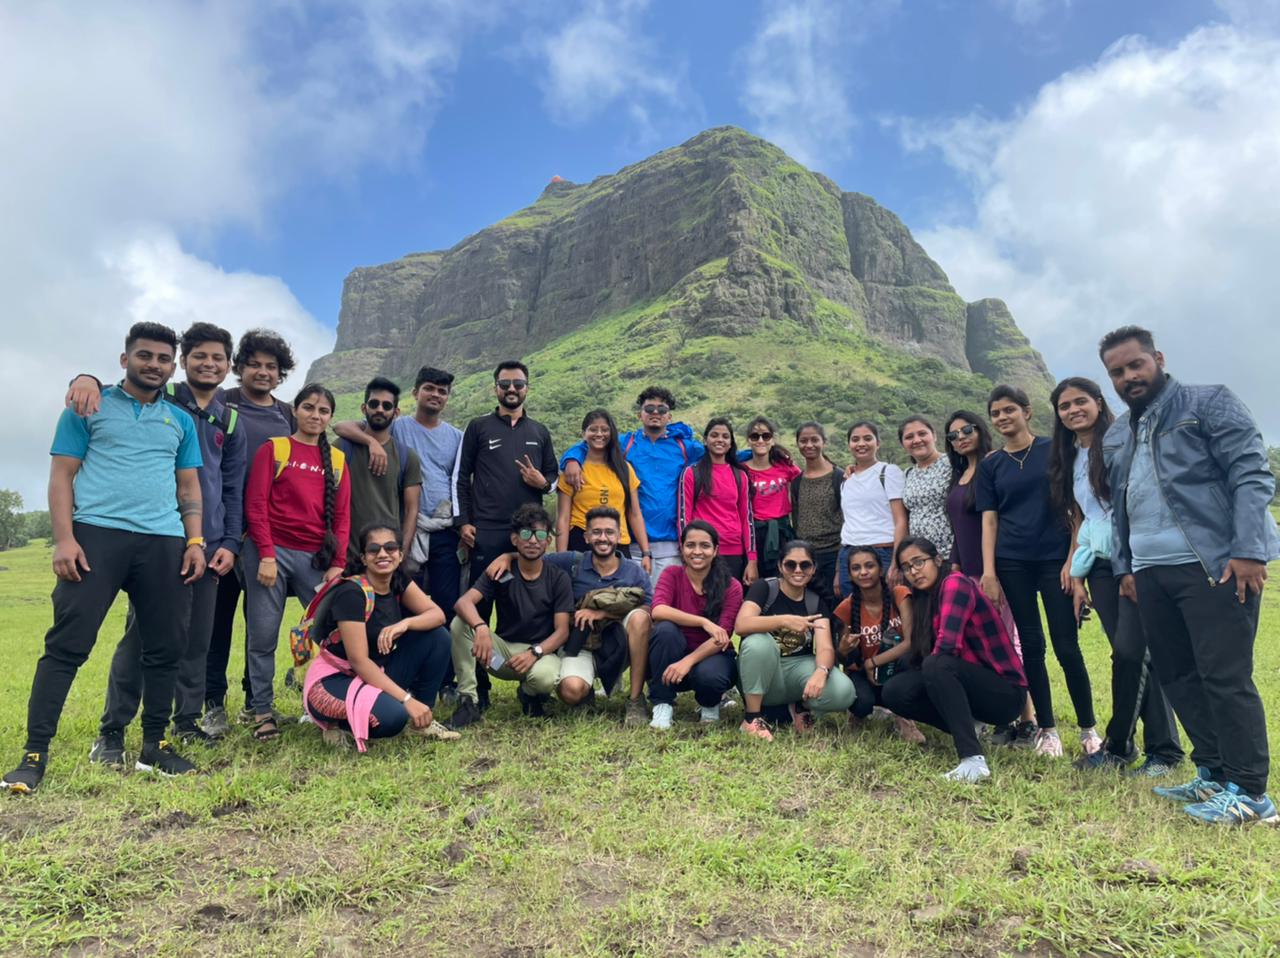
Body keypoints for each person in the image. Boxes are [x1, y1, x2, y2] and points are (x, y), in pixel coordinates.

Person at [4, 323, 206, 794]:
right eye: (144, 355)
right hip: (96, 536)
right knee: (67, 645)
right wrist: (64, 540)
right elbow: (61, 476)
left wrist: (194, 541)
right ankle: (34, 755)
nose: (153, 364)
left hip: (163, 540)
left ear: (172, 367)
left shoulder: (180, 421)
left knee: (165, 648)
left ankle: (154, 747)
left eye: (163, 358)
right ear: (124, 359)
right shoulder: (88, 406)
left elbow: (188, 487)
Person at [1100, 325, 1278, 825]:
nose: (1128, 377)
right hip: (1150, 571)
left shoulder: (1208, 402)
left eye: (1136, 364)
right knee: (1177, 675)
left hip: (1213, 563)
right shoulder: (1118, 433)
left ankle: (1251, 793)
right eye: (1117, 371)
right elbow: (1120, 507)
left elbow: (1250, 473)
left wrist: (1248, 549)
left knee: (1224, 675)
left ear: (1157, 358)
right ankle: (1214, 772)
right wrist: (1125, 567)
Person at [80, 323, 246, 764]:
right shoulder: (161, 397)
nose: (208, 364)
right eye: (199, 356)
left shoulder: (231, 420)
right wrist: (86, 378)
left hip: (209, 545)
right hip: (158, 538)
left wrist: (230, 542)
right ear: (182, 362)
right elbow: (112, 392)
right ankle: (112, 730)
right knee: (141, 639)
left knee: (196, 638)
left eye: (217, 358)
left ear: (228, 365)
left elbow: (233, 489)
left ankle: (185, 722)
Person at [1048, 376, 1183, 777]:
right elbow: (1081, 517)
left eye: (1080, 401)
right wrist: (1075, 571)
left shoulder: (1123, 441)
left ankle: (1136, 747)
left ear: (1098, 401)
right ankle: (1154, 749)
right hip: (1100, 563)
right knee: (1129, 653)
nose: (1073, 410)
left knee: (1132, 652)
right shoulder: (1069, 456)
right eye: (1064, 406)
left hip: (1135, 557)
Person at [977, 385, 1098, 759]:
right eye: (996, 413)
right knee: (1031, 646)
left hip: (1054, 560)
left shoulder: (1054, 450)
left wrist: (1072, 560)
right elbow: (990, 521)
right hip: (1012, 561)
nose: (1002, 417)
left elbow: (1076, 509)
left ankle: (1088, 729)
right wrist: (989, 572)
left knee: (1067, 646)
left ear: (1026, 412)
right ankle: (1048, 730)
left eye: (1009, 410)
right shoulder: (991, 465)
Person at [241, 383, 351, 742]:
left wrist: (337, 563)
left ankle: (326, 704)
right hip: (269, 552)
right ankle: (262, 711)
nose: (315, 416)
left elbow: (342, 517)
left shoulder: (337, 460)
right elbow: (256, 504)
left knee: (332, 632)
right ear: (295, 410)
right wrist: (266, 554)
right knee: (263, 635)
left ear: (330, 417)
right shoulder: (275, 449)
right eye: (308, 408)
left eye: (323, 411)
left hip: (315, 558)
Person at [480, 506, 653, 725]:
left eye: (609, 532)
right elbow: (535, 552)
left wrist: (602, 613)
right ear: (586, 536)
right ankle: (584, 691)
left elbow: (649, 610)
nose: (603, 538)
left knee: (639, 618)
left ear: (619, 536)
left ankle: (636, 700)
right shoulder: (571, 562)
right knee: (570, 691)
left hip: (619, 644)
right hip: (581, 644)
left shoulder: (634, 571)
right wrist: (508, 556)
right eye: (596, 532)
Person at [204, 329, 297, 733]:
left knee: (261, 626)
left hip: (267, 539)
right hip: (223, 533)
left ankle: (253, 701)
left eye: (271, 366)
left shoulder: (288, 415)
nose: (263, 372)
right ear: (239, 367)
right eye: (254, 364)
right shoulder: (222, 401)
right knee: (216, 622)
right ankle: (212, 703)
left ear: (280, 373)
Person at [882, 538, 1028, 783]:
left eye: (919, 562)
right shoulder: (924, 598)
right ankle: (970, 726)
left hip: (1005, 694)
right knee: (895, 691)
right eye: (906, 567)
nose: (914, 571)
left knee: (937, 664)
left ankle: (972, 760)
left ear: (938, 560)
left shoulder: (955, 584)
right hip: (972, 685)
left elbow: (947, 647)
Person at [302, 522, 458, 750]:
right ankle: (335, 724)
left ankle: (421, 721)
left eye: (390, 548)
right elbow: (359, 661)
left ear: (400, 555)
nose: (383, 554)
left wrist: (405, 624)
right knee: (393, 718)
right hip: (336, 680)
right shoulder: (352, 593)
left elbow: (437, 615)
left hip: (374, 673)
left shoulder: (397, 580)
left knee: (438, 637)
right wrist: (406, 700)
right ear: (364, 558)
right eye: (374, 550)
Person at [942, 410, 1033, 744]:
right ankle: (1002, 717)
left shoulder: (994, 465)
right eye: (953, 435)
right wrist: (955, 565)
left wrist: (990, 573)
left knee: (1008, 642)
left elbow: (996, 522)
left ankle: (1028, 719)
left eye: (967, 430)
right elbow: (959, 527)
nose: (961, 438)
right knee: (981, 646)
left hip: (994, 572)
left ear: (980, 429)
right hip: (966, 573)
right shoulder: (960, 474)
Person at [348, 366, 464, 618]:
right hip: (406, 527)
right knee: (405, 599)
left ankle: (442, 644)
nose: (435, 395)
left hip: (444, 528)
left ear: (447, 397)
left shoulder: (457, 437)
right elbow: (342, 427)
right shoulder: (396, 426)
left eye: (442, 391)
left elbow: (463, 482)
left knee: (447, 601)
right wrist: (371, 441)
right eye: (429, 388)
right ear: (415, 393)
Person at [560, 386, 705, 583]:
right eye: (649, 408)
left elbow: (720, 453)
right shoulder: (626, 443)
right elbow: (593, 442)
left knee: (665, 599)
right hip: (630, 543)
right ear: (640, 414)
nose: (655, 413)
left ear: (669, 416)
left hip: (671, 544)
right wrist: (571, 459)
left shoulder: (685, 447)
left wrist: (749, 456)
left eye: (661, 409)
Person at [447, 505, 574, 728]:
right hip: (500, 658)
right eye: (526, 534)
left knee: (544, 679)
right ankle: (468, 702)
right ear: (514, 539)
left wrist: (535, 652)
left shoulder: (558, 578)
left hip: (540, 655)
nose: (533, 540)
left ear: (548, 541)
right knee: (460, 623)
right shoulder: (500, 570)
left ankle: (529, 695)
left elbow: (562, 630)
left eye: (540, 535)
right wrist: (481, 627)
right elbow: (463, 603)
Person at [734, 540, 856, 741]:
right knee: (758, 643)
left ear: (813, 568)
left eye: (805, 565)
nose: (798, 570)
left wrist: (822, 671)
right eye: (791, 564)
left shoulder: (815, 600)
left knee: (844, 692)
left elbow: (825, 647)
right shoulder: (765, 588)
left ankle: (799, 707)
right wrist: (784, 620)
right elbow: (741, 625)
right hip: (762, 670)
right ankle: (752, 718)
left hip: (798, 669)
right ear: (780, 566)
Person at [647, 521, 743, 729]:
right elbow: (658, 610)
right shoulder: (672, 574)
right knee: (665, 630)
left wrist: (688, 661)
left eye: (705, 546)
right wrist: (703, 622)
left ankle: (709, 704)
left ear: (715, 550)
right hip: (672, 654)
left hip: (712, 655)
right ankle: (663, 704)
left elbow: (722, 637)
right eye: (690, 545)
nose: (697, 551)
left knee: (710, 676)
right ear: (682, 548)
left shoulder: (731, 586)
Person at [832, 545, 922, 743]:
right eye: (856, 568)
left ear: (881, 570)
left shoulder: (899, 594)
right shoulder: (846, 607)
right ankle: (857, 715)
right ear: (850, 574)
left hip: (896, 670)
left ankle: (904, 717)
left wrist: (872, 662)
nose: (863, 572)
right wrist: (843, 650)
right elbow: (845, 659)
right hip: (866, 676)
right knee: (863, 704)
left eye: (869, 566)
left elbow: (910, 642)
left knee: (910, 661)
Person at [331, 377, 423, 564]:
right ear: (364, 408)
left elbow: (411, 510)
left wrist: (400, 554)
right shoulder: (341, 448)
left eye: (387, 406)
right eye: (374, 404)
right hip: (345, 556)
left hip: (385, 558)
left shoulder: (407, 457)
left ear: (396, 412)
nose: (380, 409)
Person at [554, 409, 651, 569]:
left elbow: (634, 513)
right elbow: (563, 518)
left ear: (612, 433)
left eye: (605, 430)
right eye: (593, 429)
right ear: (583, 434)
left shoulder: (624, 468)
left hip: (618, 542)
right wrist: (561, 558)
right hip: (581, 542)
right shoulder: (573, 470)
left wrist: (646, 553)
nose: (599, 434)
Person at [678, 418, 756, 583]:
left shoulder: (740, 475)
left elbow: (747, 518)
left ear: (731, 443)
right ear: (705, 440)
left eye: (725, 436)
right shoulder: (692, 473)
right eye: (714, 435)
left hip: (734, 552)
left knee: (732, 597)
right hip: (701, 551)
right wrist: (685, 552)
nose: (720, 440)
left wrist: (752, 559)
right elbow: (684, 516)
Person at [838, 421, 906, 598]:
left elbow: (901, 520)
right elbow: (849, 521)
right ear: (849, 445)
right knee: (852, 608)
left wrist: (896, 563)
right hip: (848, 554)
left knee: (887, 607)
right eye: (855, 439)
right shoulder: (846, 480)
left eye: (867, 438)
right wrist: (839, 569)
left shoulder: (888, 472)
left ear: (878, 443)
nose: (861, 444)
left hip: (882, 552)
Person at [790, 422, 843, 607]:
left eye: (814, 440)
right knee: (809, 606)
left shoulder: (838, 477)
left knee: (835, 606)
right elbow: (796, 519)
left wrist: (840, 566)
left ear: (824, 442)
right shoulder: (797, 482)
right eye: (804, 441)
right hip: (806, 557)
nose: (809, 445)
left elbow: (847, 519)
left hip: (833, 554)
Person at [743, 416, 802, 572]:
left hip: (782, 532)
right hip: (754, 534)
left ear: (772, 440)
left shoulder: (786, 467)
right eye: (755, 436)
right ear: (748, 441)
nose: (760, 440)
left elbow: (808, 480)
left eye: (766, 436)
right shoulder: (742, 470)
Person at [899, 416, 954, 561]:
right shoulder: (908, 474)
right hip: (920, 559)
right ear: (903, 444)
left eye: (922, 434)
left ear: (934, 435)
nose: (916, 440)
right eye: (909, 437)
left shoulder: (953, 463)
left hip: (950, 554)